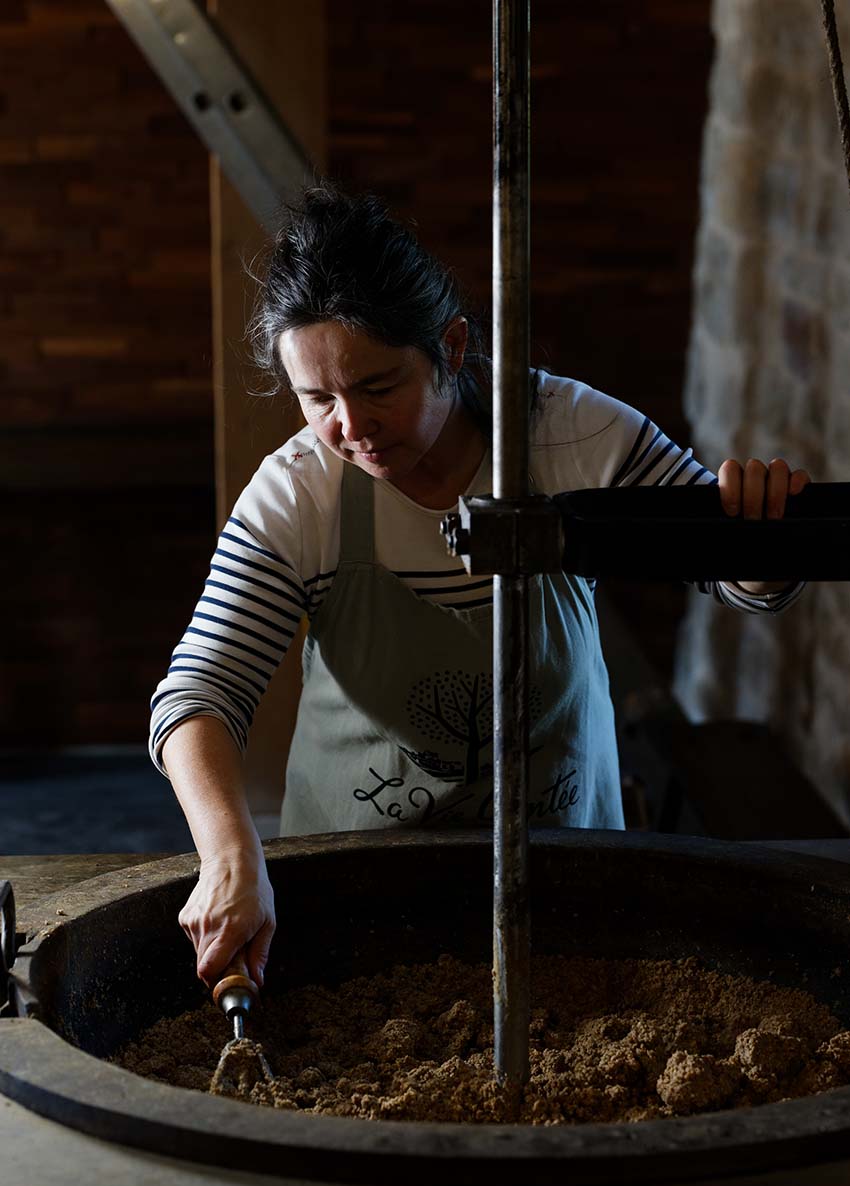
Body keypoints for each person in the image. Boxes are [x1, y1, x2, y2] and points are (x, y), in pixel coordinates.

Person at [150, 184, 809, 990]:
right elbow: (198, 693)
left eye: (378, 387)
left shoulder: (573, 436)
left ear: (453, 347)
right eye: (317, 399)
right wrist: (230, 854)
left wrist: (760, 532)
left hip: (572, 883)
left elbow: (738, 581)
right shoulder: (300, 493)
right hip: (358, 904)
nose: (349, 427)